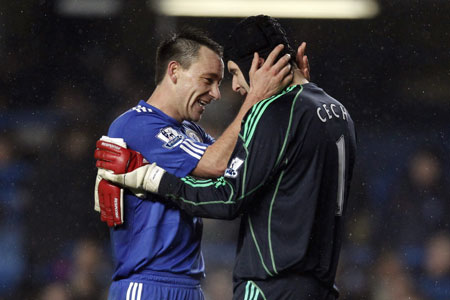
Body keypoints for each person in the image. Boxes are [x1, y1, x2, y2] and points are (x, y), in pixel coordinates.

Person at [98, 15, 356, 300]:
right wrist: (259, 99)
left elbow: (240, 164)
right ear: (174, 72)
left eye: (222, 80)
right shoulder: (135, 124)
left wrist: (293, 101)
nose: (218, 93)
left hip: (193, 286)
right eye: (208, 80)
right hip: (147, 284)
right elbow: (217, 163)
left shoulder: (191, 133)